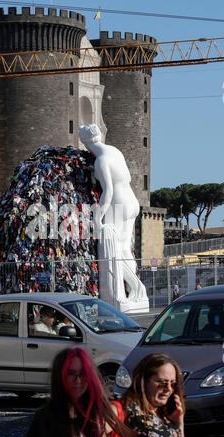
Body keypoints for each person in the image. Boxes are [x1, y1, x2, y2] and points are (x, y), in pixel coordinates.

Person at [79, 124, 148, 313]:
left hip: (117, 205)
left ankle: (136, 288)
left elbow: (107, 192)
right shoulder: (114, 151)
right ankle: (137, 291)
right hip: (131, 202)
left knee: (114, 251)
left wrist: (98, 217)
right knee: (124, 249)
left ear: (85, 143)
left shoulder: (101, 160)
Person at [20, 347, 135, 437]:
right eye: (71, 373)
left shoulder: (93, 412)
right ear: (60, 376)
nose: (78, 380)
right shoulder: (46, 417)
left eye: (83, 373)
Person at [121, 353, 185, 437]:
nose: (168, 389)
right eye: (162, 382)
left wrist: (179, 422)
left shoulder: (163, 413)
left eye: (173, 384)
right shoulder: (127, 409)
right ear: (144, 381)